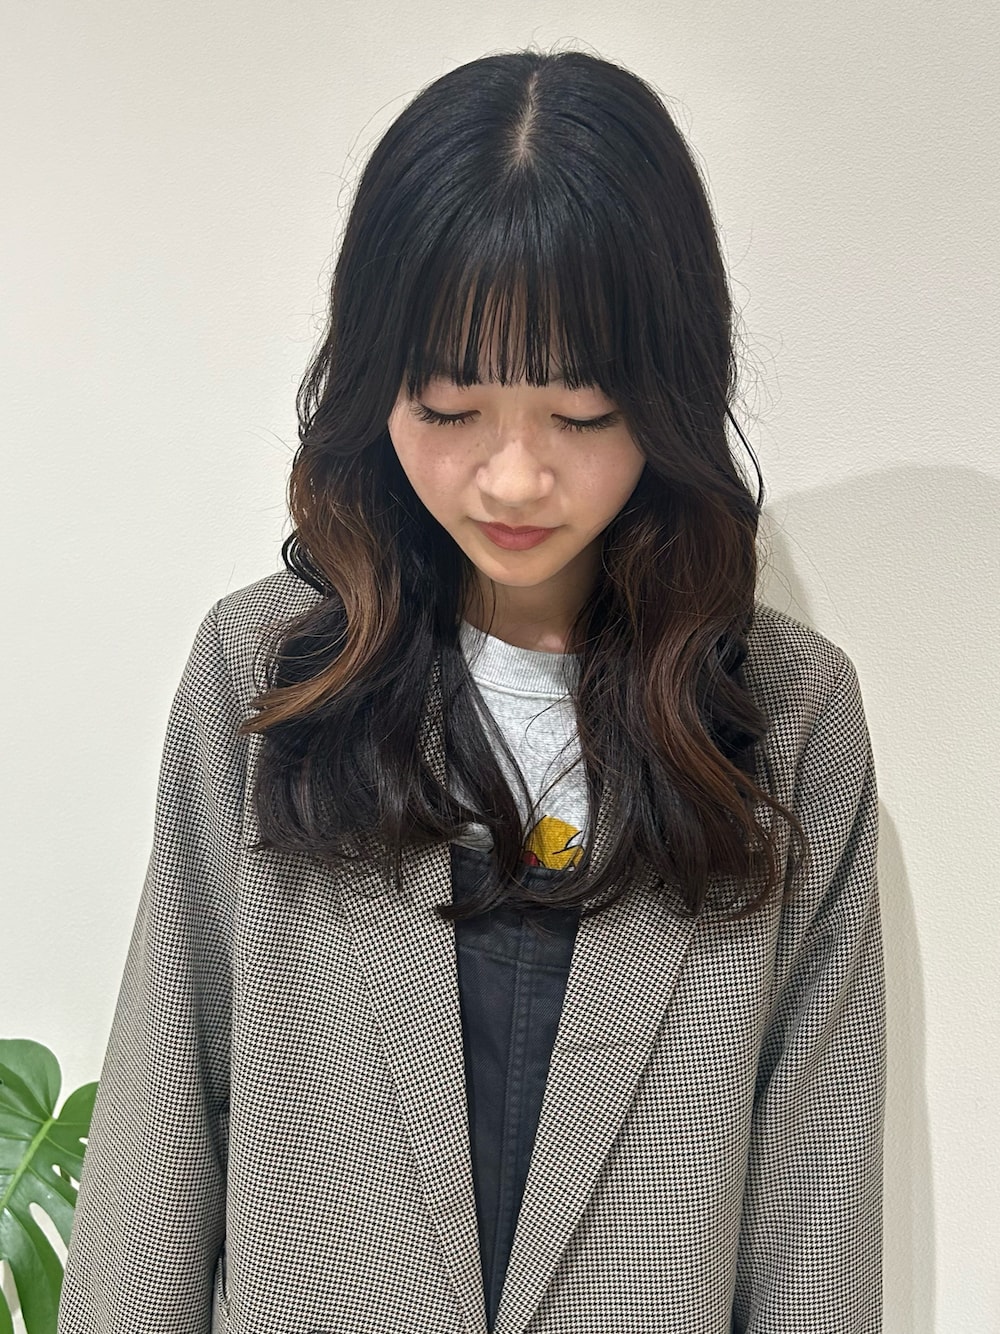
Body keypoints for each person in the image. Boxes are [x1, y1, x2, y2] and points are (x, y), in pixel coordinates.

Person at [57, 47, 886, 1334]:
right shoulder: (267, 678)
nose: (511, 478)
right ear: (373, 382)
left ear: (667, 396)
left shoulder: (783, 721)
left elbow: (812, 1218)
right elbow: (162, 1137)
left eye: (581, 413)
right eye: (450, 407)